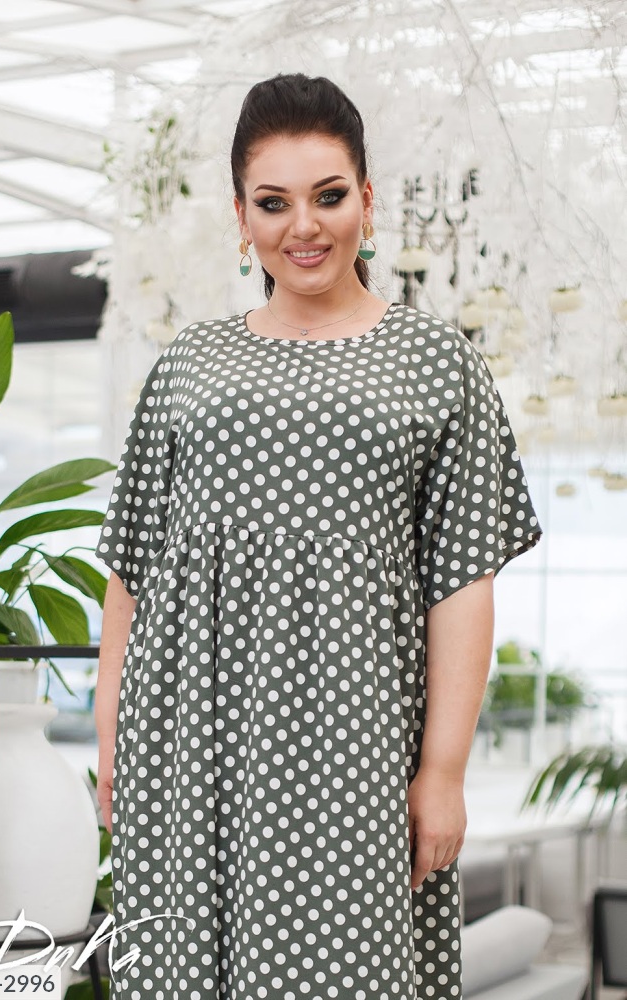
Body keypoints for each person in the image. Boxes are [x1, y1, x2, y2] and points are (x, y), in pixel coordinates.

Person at [94, 72, 543, 1000]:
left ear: (366, 200)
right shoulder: (188, 363)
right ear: (241, 217)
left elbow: (462, 583)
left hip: (355, 744)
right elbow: (132, 569)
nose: (303, 226)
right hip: (189, 746)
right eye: (273, 203)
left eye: (328, 196)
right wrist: (112, 741)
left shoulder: (438, 363)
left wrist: (443, 773)